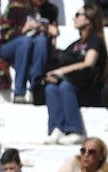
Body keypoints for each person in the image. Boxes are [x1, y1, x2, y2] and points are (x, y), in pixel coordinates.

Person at [42, 5, 105, 146]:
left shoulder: (95, 40)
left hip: (89, 89)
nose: (74, 18)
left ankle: (75, 131)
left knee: (65, 86)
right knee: (51, 88)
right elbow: (58, 61)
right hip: (72, 87)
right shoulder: (76, 44)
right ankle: (56, 129)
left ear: (89, 19)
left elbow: (89, 63)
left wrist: (62, 71)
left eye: (78, 15)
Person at [0, 0, 58, 103]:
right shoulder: (16, 4)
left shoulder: (50, 9)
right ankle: (19, 92)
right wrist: (24, 29)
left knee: (41, 41)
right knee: (26, 41)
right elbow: (4, 34)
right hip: (9, 46)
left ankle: (35, 88)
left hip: (36, 47)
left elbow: (53, 37)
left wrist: (49, 29)